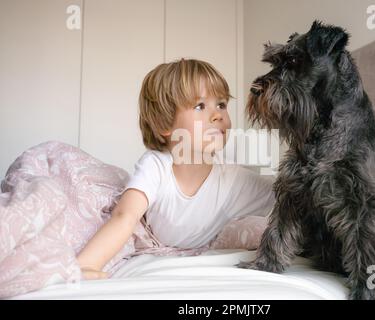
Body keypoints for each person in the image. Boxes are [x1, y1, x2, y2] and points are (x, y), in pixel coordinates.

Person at [76, 59, 275, 280]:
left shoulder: (233, 179)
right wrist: (88, 265)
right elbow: (125, 216)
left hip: (203, 242)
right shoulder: (157, 165)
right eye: (200, 106)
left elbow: (289, 197)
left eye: (221, 104)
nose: (218, 115)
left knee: (263, 228)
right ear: (165, 124)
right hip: (148, 235)